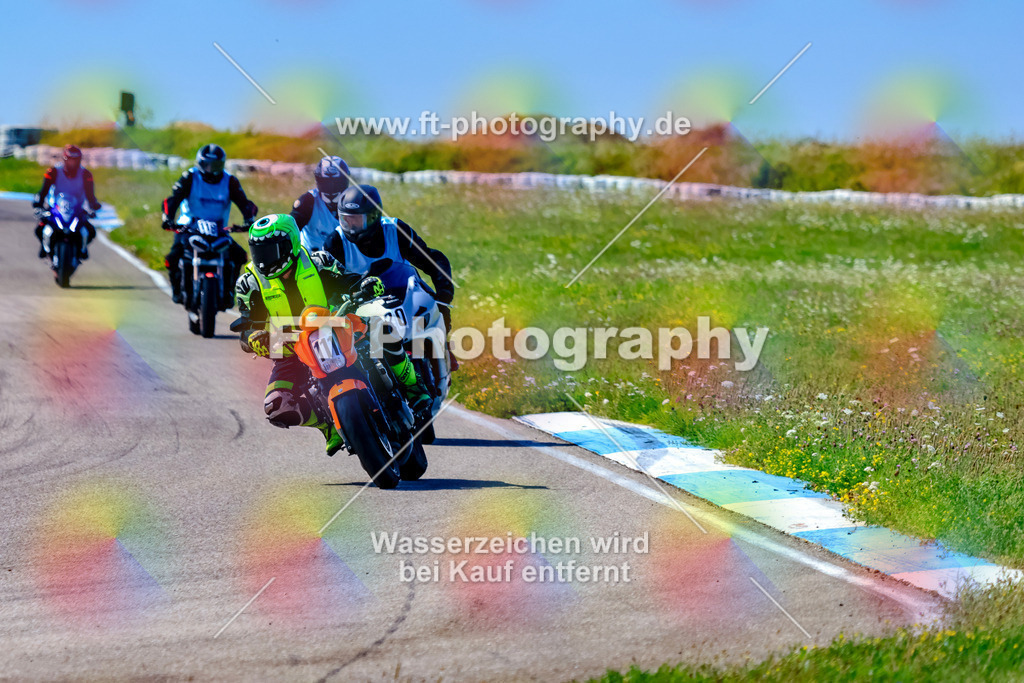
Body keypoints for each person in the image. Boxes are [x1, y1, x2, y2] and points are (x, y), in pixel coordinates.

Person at [234, 214, 433, 455]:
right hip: (290, 350)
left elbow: (350, 281)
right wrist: (254, 338)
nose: (266, 259)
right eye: (259, 252)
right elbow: (247, 327)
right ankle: (328, 426)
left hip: (337, 327)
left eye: (272, 250)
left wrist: (365, 285)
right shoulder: (249, 284)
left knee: (383, 330)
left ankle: (414, 387)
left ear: (290, 244)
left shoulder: (318, 262)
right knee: (275, 405)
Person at [324, 184, 457, 370]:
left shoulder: (396, 230)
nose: (350, 227)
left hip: (405, 296)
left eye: (356, 220)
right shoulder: (335, 242)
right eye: (346, 220)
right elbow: (328, 283)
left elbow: (432, 260)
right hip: (364, 309)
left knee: (436, 315)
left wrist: (443, 298)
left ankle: (439, 352)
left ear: (373, 217)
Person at [162, 144, 257, 303]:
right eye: (207, 165)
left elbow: (244, 203)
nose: (211, 170)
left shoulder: (230, 181)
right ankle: (177, 290)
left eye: (216, 166)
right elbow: (173, 199)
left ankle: (229, 292)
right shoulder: (189, 177)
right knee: (173, 257)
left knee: (239, 256)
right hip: (189, 228)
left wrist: (249, 220)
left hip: (218, 231)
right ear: (200, 163)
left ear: (222, 164)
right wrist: (168, 219)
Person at [32, 145, 101, 259]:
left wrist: (93, 205)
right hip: (56, 207)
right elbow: (43, 190)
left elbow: (90, 195)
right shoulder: (53, 171)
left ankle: (81, 250)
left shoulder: (86, 174)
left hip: (77, 208)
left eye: (75, 160)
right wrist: (38, 204)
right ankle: (45, 247)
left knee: (91, 231)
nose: (72, 163)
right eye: (69, 159)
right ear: (64, 159)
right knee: (39, 228)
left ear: (79, 160)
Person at [290, 155, 350, 251]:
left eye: (336, 183)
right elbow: (290, 230)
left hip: (342, 260)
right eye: (326, 183)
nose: (331, 188)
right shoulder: (308, 201)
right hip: (310, 260)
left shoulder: (354, 202)